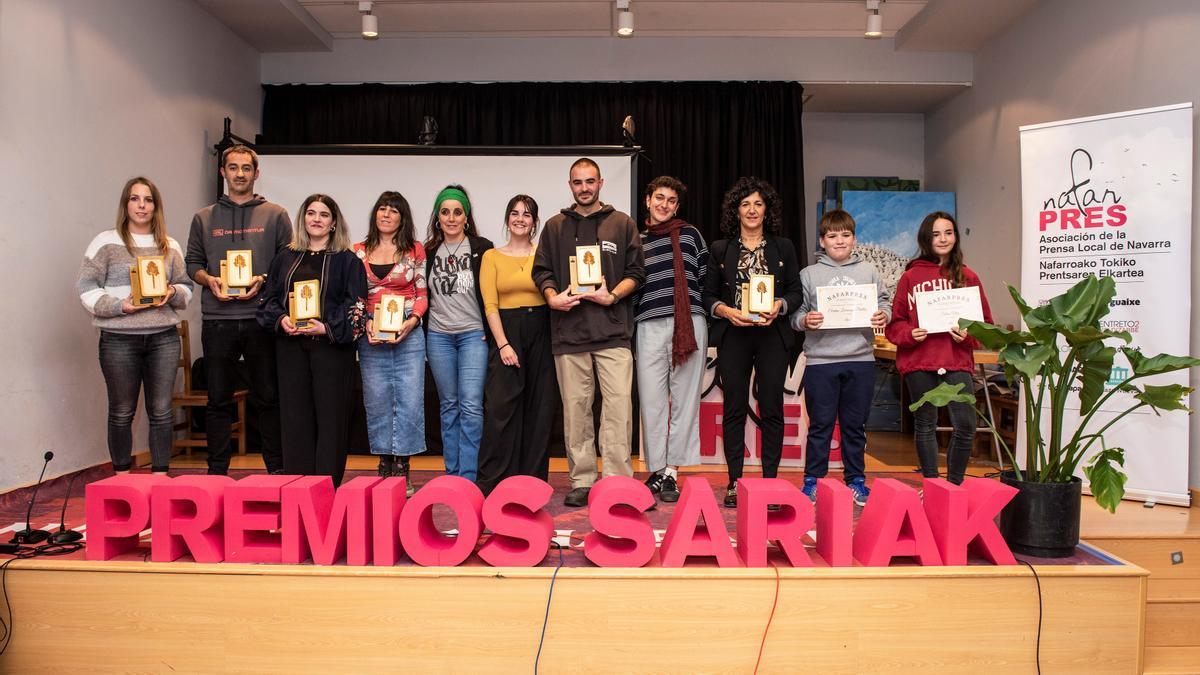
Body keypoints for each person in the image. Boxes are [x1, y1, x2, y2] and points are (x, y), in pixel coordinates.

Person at [532, 158, 646, 507]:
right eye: (578, 182)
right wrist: (552, 298)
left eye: (590, 181)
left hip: (613, 334)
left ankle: (615, 481)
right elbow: (542, 272)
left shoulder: (622, 224)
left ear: (600, 183)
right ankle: (581, 480)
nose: (584, 188)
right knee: (576, 411)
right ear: (571, 186)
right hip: (569, 335)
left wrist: (611, 295)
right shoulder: (553, 227)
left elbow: (636, 273)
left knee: (617, 410)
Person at [185, 144, 291, 475]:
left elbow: (287, 263)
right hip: (218, 321)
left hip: (261, 318)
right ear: (224, 173)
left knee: (268, 398)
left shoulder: (276, 215)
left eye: (246, 168)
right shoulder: (203, 218)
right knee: (218, 399)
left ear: (256, 173)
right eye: (233, 168)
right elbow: (192, 264)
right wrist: (209, 280)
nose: (240, 173)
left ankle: (277, 470)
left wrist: (263, 279)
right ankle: (216, 473)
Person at [78, 177, 194, 475]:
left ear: (156, 206)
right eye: (135, 199)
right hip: (119, 340)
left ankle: (160, 477)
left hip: (163, 339)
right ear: (125, 204)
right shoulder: (106, 242)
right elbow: (86, 287)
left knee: (161, 411)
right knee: (121, 411)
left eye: (148, 199)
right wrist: (120, 306)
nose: (142, 205)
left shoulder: (170, 245)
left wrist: (172, 293)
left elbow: (185, 287)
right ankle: (121, 478)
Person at [702, 177, 802, 509]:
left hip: (773, 335)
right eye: (745, 204)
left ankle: (771, 482)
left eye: (758, 204)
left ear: (766, 209)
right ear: (736, 210)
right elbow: (708, 296)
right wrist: (727, 311)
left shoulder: (783, 247)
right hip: (735, 335)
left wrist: (780, 306)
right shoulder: (720, 249)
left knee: (772, 407)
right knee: (733, 409)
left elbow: (795, 292)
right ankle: (734, 482)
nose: (752, 210)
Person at [257, 194, 366, 486]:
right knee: (295, 418)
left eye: (324, 214)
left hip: (331, 351)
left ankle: (326, 487)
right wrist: (282, 320)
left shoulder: (347, 261)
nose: (316, 219)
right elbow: (268, 300)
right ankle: (298, 487)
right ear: (303, 219)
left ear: (333, 223)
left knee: (331, 420)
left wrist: (326, 328)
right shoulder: (285, 257)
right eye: (311, 213)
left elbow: (356, 307)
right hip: (291, 349)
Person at [885, 211, 994, 485]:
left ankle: (954, 486)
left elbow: (986, 326)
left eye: (948, 232)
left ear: (956, 236)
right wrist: (911, 333)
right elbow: (895, 325)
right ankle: (933, 485)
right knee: (925, 425)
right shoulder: (911, 277)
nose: (943, 239)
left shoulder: (968, 276)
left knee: (966, 425)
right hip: (920, 361)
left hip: (956, 361)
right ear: (926, 238)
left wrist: (968, 336)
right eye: (936, 234)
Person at [791, 209, 890, 506]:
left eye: (845, 235)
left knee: (854, 426)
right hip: (821, 360)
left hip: (860, 359)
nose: (839, 241)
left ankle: (856, 481)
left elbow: (885, 304)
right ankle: (814, 482)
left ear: (854, 239)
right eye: (832, 236)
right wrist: (805, 320)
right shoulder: (808, 274)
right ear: (822, 241)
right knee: (820, 425)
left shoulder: (869, 271)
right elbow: (795, 314)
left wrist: (882, 314)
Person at [635, 176, 709, 504]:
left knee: (684, 401)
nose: (664, 205)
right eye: (659, 198)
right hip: (649, 324)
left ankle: (672, 473)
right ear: (648, 201)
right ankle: (657, 468)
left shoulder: (691, 235)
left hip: (689, 324)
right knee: (651, 401)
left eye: (671, 201)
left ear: (677, 206)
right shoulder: (635, 240)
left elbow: (704, 278)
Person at [476, 195, 557, 495]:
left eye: (527, 214)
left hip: (542, 331)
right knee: (500, 409)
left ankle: (532, 485)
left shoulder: (545, 254)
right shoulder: (491, 257)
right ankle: (493, 482)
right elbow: (490, 305)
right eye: (514, 213)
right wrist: (503, 345)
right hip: (506, 333)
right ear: (507, 218)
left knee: (539, 409)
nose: (520, 218)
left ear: (535, 222)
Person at [355, 191, 427, 491]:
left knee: (409, 400)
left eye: (393, 211)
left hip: (409, 330)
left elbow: (422, 292)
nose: (386, 214)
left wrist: (412, 322)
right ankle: (384, 464)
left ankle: (403, 469)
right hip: (370, 332)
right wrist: (365, 323)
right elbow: (354, 296)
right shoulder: (357, 251)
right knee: (377, 399)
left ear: (402, 217)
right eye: (382, 209)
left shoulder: (415, 250)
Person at [424, 185, 494, 482]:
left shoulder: (482, 248)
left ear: (466, 217)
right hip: (438, 337)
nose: (451, 218)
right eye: (445, 212)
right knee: (449, 405)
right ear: (437, 218)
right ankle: (452, 474)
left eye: (457, 212)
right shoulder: (427, 252)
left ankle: (468, 475)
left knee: (470, 405)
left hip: (472, 336)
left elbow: (492, 293)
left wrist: (491, 331)